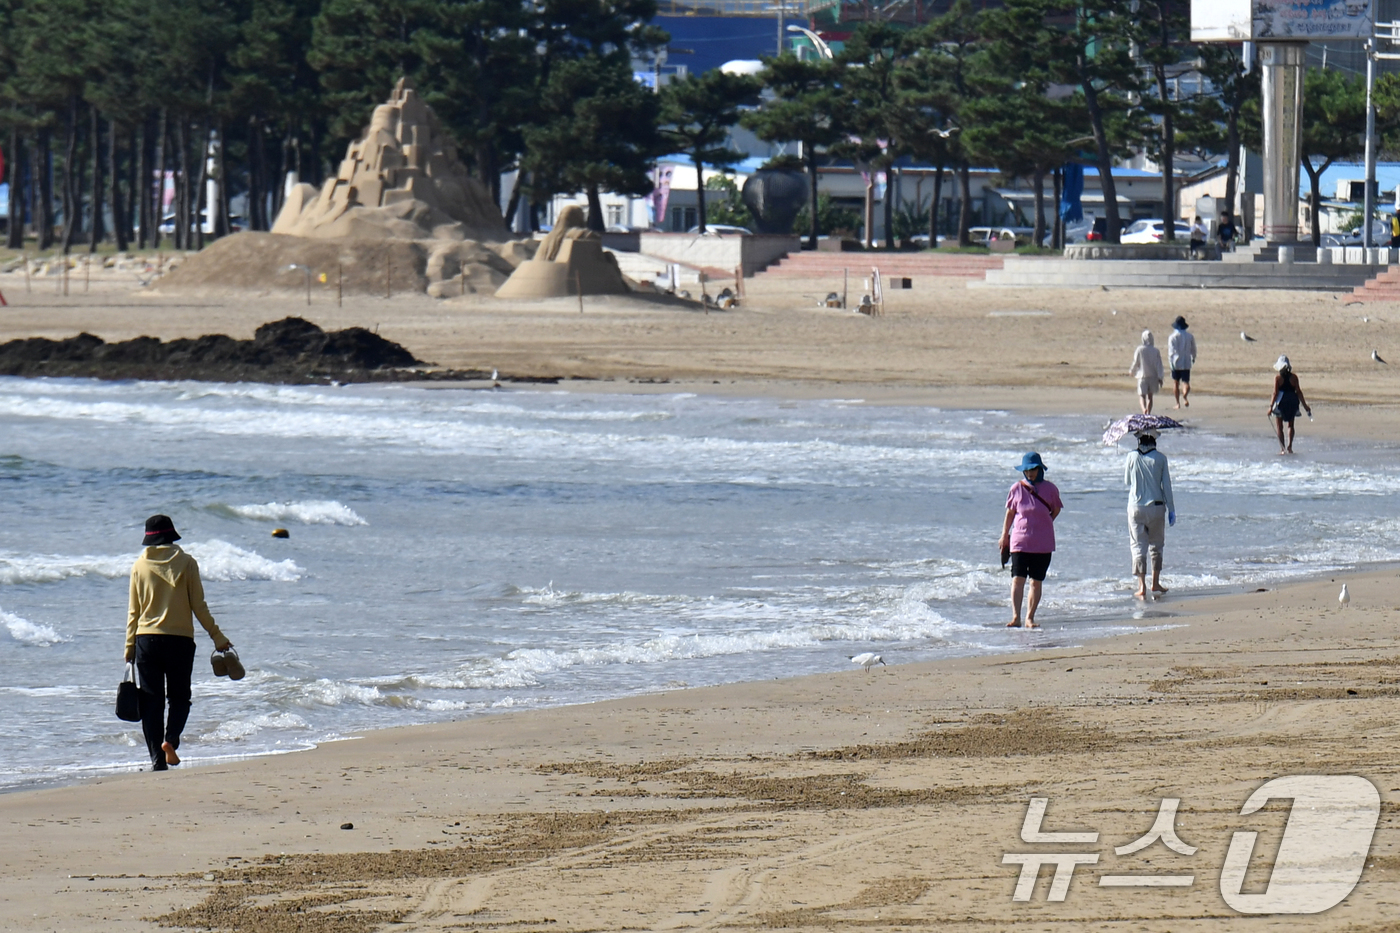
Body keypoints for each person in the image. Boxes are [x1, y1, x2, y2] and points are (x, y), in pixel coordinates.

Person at [124, 515, 233, 772]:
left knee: (152, 702)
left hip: (146, 640)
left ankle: (156, 761)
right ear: (172, 536)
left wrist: (129, 647)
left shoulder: (139, 566)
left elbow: (133, 612)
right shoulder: (187, 563)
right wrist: (218, 637)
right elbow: (199, 606)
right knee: (180, 697)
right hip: (180, 641)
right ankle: (170, 740)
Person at [997, 452, 1064, 629]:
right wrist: (1004, 535)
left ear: (1040, 468)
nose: (1030, 473)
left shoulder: (1050, 489)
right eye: (1027, 470)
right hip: (1019, 541)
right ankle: (1016, 616)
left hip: (1043, 543)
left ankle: (1029, 618)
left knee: (1036, 581)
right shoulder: (1016, 488)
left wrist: (1043, 523)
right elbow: (1010, 513)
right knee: (1018, 579)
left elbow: (1056, 510)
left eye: (1033, 469)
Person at [1124, 430, 1175, 599]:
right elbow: (1166, 486)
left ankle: (1141, 586)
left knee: (1138, 547)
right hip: (1157, 506)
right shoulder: (1161, 458)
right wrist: (1172, 509)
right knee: (1157, 545)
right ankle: (1155, 582)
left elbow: (1127, 481)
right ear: (1154, 442)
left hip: (1136, 507)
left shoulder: (1131, 456)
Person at [1269, 355, 1312, 455]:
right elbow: (1299, 392)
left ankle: (1283, 448)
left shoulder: (1278, 378)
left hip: (1281, 402)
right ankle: (1290, 447)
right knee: (1290, 425)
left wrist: (1271, 407)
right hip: (1292, 401)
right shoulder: (1294, 377)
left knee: (1279, 426)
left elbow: (1275, 393)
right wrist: (1305, 406)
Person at [1129, 330, 1164, 415]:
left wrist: (1132, 371)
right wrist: (1160, 377)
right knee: (1150, 397)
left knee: (1142, 395)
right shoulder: (1155, 351)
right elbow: (1159, 365)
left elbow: (1136, 362)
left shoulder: (1140, 349)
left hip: (1142, 376)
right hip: (1153, 376)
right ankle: (1148, 412)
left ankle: (1144, 409)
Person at [1167, 316, 1197, 409]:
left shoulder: (1172, 337)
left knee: (1176, 383)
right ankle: (1185, 396)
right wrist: (1193, 358)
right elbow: (1193, 349)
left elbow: (1171, 351)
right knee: (1186, 382)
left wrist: (1170, 362)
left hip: (1176, 362)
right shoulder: (1190, 336)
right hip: (1186, 361)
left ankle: (1177, 403)